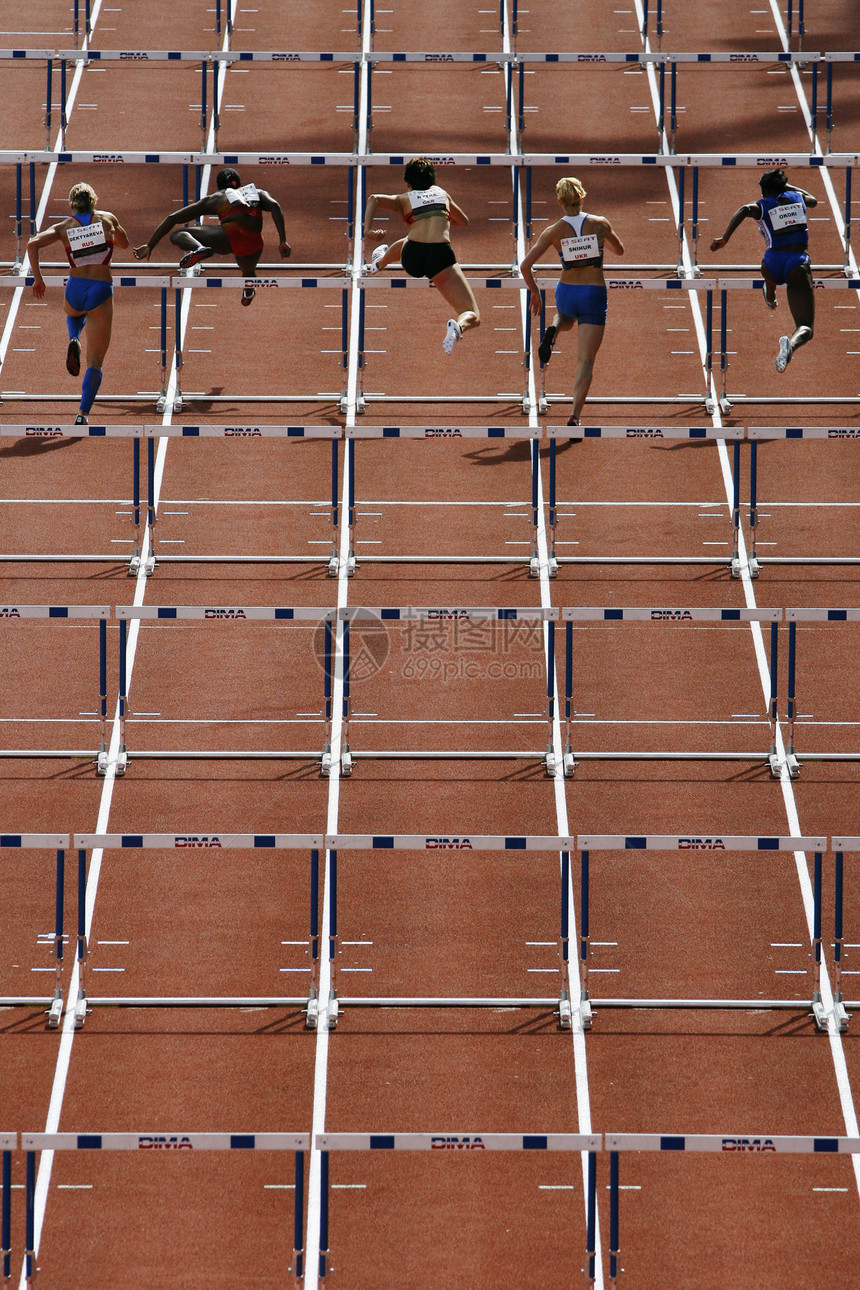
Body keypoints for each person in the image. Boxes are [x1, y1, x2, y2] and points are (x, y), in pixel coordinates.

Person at [520, 176, 624, 427]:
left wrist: (535, 290)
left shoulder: (553, 231)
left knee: (566, 318)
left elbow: (525, 266)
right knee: (585, 360)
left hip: (567, 291)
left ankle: (555, 326)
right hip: (593, 293)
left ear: (559, 202)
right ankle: (575, 416)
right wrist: (599, 243)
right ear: (582, 197)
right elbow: (619, 250)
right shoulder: (600, 224)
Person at [27, 181, 129, 425]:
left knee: (73, 314)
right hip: (100, 290)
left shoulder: (64, 227)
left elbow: (32, 244)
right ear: (94, 201)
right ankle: (82, 414)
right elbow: (125, 243)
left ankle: (73, 337)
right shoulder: (107, 220)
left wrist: (38, 280)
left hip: (74, 291)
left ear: (72, 205)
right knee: (95, 361)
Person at [362, 156, 480, 354]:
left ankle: (378, 264)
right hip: (441, 258)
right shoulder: (442, 194)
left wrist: (368, 230)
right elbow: (464, 221)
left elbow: (374, 199)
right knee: (471, 313)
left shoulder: (404, 199)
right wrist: (441, 212)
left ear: (408, 184)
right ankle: (458, 327)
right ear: (433, 181)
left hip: (412, 255)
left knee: (409, 239)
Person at [710, 167, 817, 373]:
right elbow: (813, 200)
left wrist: (725, 238)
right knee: (805, 326)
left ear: (763, 190)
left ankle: (770, 294)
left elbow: (744, 209)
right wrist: (787, 186)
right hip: (797, 263)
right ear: (783, 187)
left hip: (771, 263)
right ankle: (791, 346)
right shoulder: (797, 197)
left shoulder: (762, 205)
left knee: (767, 270)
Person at [133, 167, 290, 306]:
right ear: (240, 182)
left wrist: (150, 244)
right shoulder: (257, 192)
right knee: (248, 271)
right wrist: (282, 240)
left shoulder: (216, 198)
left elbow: (172, 218)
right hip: (254, 242)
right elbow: (275, 206)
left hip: (228, 236)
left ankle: (199, 248)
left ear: (220, 186)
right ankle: (249, 290)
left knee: (180, 234)